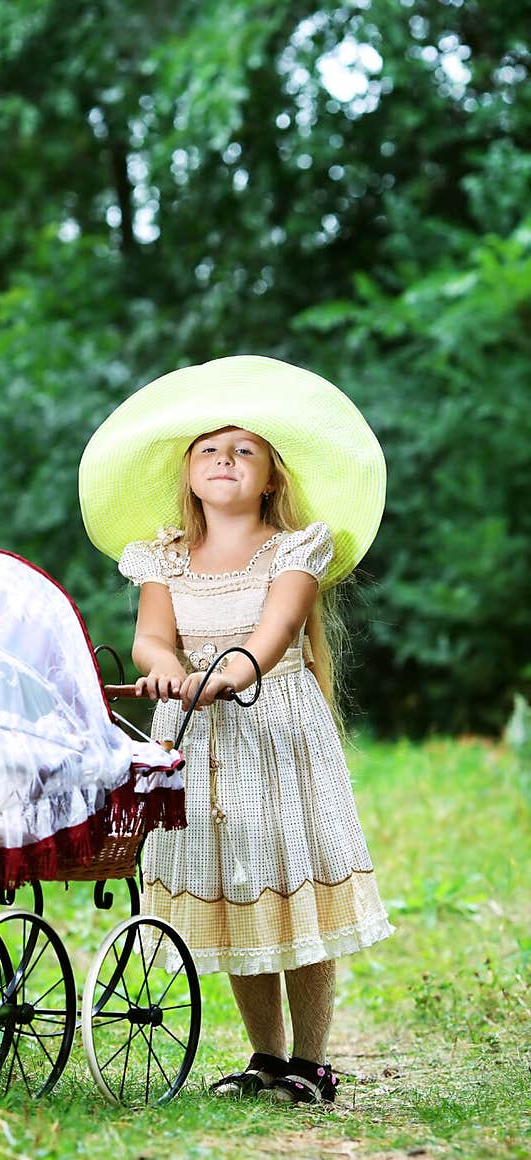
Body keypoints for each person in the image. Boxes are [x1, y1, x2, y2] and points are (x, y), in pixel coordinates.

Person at [78, 355, 395, 1105]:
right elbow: (154, 636)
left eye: (244, 450)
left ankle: (312, 1061)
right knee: (238, 879)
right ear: (188, 474)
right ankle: (265, 1057)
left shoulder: (294, 549)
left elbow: (275, 633)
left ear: (272, 478)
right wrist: (162, 669)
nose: (225, 460)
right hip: (194, 733)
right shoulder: (164, 556)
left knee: (292, 879)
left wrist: (229, 674)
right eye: (210, 451)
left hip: (273, 726)